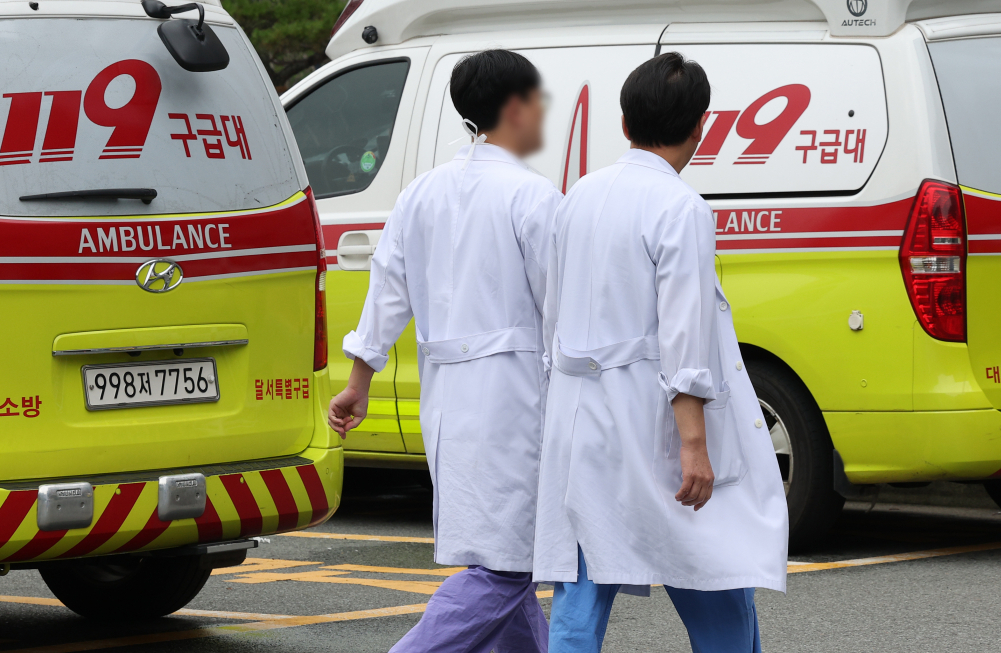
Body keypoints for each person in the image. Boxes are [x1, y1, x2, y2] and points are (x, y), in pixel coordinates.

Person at [533, 52, 789, 653]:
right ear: (702, 125)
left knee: (584, 581)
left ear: (624, 124)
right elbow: (684, 334)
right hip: (651, 419)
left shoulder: (577, 197)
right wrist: (694, 446)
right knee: (711, 567)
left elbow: (553, 315)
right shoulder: (681, 207)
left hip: (579, 416)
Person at [328, 49, 561, 653]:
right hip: (514, 399)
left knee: (507, 555)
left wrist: (360, 380)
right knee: (509, 564)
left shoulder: (420, 194)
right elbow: (563, 310)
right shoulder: (533, 198)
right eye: (537, 100)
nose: (543, 112)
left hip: (447, 399)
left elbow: (386, 292)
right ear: (514, 108)